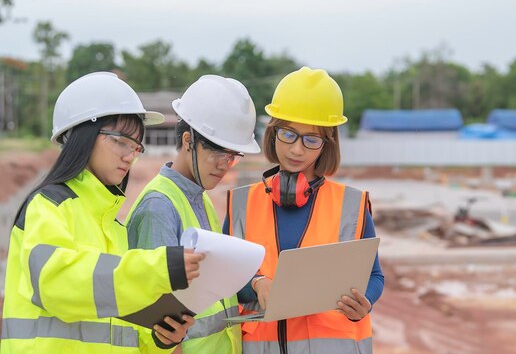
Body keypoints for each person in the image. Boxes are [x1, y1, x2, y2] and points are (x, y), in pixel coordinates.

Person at [0, 72, 205, 354]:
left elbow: (124, 332)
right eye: (121, 141)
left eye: (136, 147)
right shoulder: (48, 207)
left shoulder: (116, 229)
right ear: (81, 137)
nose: (130, 156)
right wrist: (157, 268)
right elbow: (58, 285)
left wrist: (160, 339)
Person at [224, 67, 385, 354]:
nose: (297, 150)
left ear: (327, 145)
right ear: (272, 132)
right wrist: (257, 284)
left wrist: (365, 302)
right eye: (288, 134)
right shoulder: (241, 204)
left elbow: (375, 276)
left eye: (311, 140)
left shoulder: (352, 205)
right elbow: (224, 278)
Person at [126, 75, 261, 354]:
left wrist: (258, 283)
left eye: (233, 155)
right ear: (189, 141)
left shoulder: (200, 198)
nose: (226, 165)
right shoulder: (158, 207)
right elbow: (155, 318)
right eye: (218, 153)